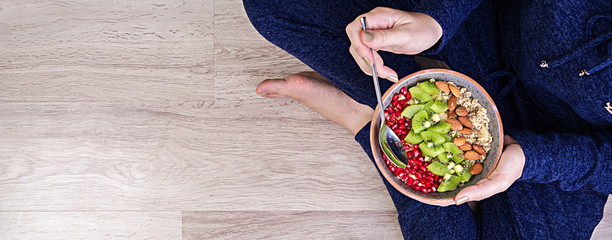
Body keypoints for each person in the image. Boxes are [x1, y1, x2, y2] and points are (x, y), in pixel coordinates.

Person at [243, 0, 612, 238]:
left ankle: (366, 117)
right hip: (489, 23)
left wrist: (533, 159)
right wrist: (435, 18)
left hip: (571, 149)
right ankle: (383, 110)